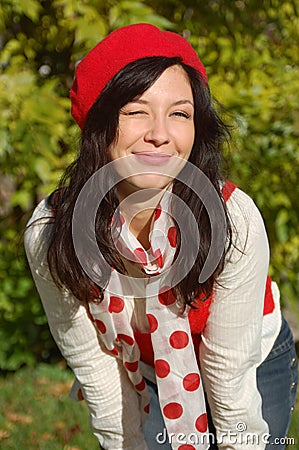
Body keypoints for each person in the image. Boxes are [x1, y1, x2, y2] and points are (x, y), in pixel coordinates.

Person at [24, 23, 298, 450]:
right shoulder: (52, 230)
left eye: (180, 113)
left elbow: (229, 379)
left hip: (253, 362)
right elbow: (95, 369)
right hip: (146, 373)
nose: (160, 133)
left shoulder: (233, 218)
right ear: (99, 123)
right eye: (136, 111)